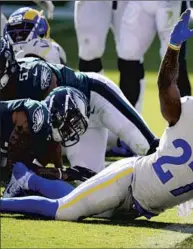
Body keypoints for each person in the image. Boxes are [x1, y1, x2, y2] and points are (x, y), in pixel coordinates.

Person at [0, 10, 193, 227]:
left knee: (79, 189)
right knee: (65, 210)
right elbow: (166, 84)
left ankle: (27, 178)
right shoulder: (191, 113)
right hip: (127, 175)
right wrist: (173, 48)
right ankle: (12, 194)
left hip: (137, 203)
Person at [0, 37, 159, 173]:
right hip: (74, 124)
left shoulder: (34, 74)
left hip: (95, 97)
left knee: (148, 147)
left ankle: (179, 180)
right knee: (90, 185)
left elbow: (56, 117)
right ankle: (130, 187)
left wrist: (38, 164)